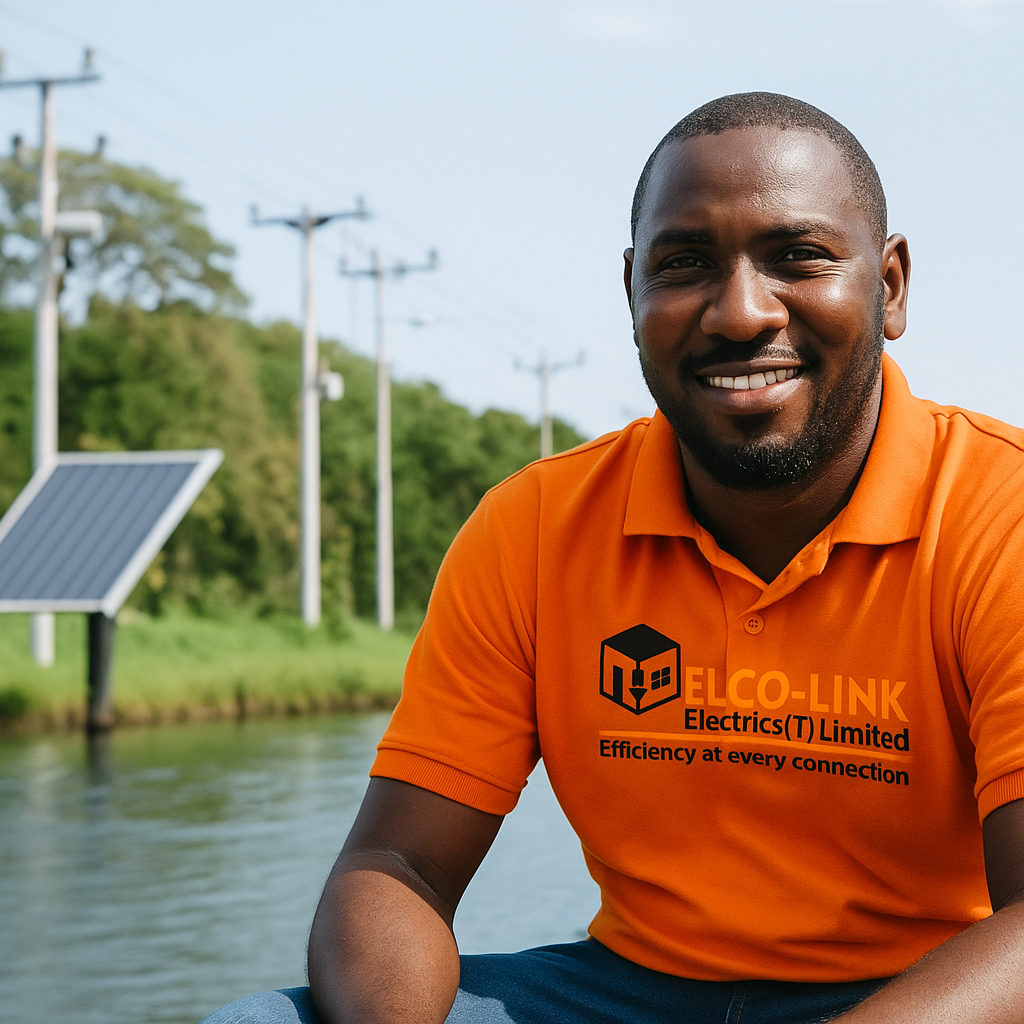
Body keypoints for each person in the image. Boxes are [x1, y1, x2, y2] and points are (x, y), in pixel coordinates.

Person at [201, 92, 1024, 1024]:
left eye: (798, 256)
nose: (741, 312)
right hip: (627, 992)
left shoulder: (1002, 517)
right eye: (685, 265)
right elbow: (400, 864)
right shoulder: (538, 524)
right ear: (633, 291)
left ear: (892, 286)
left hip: (929, 992)